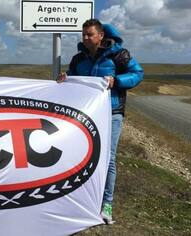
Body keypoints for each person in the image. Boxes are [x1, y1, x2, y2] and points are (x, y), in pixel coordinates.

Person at [58, 19, 143, 224]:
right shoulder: (79, 58)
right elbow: (74, 78)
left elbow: (137, 74)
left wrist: (118, 81)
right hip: (86, 114)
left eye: (90, 34)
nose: (86, 38)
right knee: (83, 156)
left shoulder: (119, 55)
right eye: (84, 34)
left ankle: (107, 203)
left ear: (101, 36)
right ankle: (85, 198)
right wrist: (65, 78)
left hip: (112, 113)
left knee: (109, 158)